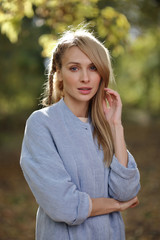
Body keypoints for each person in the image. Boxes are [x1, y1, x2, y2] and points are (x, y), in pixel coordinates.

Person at [20, 26, 140, 240]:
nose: (86, 78)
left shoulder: (104, 127)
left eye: (93, 68)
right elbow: (62, 206)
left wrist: (115, 126)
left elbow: (127, 191)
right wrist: (114, 205)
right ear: (58, 74)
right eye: (74, 68)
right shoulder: (42, 124)